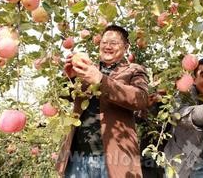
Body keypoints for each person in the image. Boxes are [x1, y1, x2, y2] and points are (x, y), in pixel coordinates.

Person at [56, 25, 149, 178]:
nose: (107, 46)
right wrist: (69, 78)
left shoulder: (134, 70)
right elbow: (66, 96)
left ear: (125, 47)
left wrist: (100, 80)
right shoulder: (87, 69)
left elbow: (141, 99)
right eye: (104, 42)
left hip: (115, 158)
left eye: (113, 43)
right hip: (77, 157)